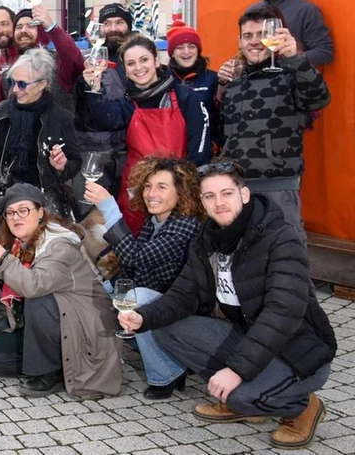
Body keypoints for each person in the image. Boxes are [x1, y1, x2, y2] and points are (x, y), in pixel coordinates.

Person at [120, 162, 334, 450]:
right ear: (202, 201)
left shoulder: (280, 237)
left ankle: (302, 405)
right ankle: (244, 397)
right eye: (209, 196)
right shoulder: (207, 239)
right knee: (164, 328)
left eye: (226, 193)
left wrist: (236, 371)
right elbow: (183, 295)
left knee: (240, 393)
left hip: (298, 350)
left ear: (244, 195)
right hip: (249, 337)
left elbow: (282, 313)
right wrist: (142, 317)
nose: (218, 203)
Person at [0, 183, 121, 399]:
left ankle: (49, 371)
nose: (16, 217)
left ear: (40, 212)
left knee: (38, 298)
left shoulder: (58, 244)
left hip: (86, 331)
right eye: (10, 213)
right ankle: (62, 361)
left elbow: (33, 286)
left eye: (23, 210)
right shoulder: (23, 244)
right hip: (61, 321)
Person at [83, 156, 202, 399]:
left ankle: (168, 374)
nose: (151, 193)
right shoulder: (156, 219)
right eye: (147, 186)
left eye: (161, 187)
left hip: (183, 308)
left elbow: (136, 258)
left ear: (181, 192)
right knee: (101, 296)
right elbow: (134, 271)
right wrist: (107, 287)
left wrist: (109, 208)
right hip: (155, 298)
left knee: (135, 300)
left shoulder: (185, 225)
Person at [215, 6, 330, 239]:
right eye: (248, 36)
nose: (254, 42)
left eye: (261, 34)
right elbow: (224, 134)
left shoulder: (291, 74)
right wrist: (221, 87)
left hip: (278, 188)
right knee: (243, 262)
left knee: (287, 260)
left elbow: (319, 97)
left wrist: (296, 59)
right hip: (237, 190)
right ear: (239, 40)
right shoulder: (234, 83)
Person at [82, 33, 211, 233]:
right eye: (131, 63)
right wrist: (95, 88)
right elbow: (105, 120)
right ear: (125, 69)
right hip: (137, 191)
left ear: (157, 60)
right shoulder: (128, 102)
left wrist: (183, 185)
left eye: (144, 60)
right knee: (134, 249)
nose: (139, 67)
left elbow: (200, 146)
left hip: (177, 188)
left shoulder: (185, 96)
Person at [0, 49, 80, 219]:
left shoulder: (61, 118)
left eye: (21, 84)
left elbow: (74, 161)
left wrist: (62, 166)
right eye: (12, 82)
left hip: (42, 202)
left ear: (42, 84)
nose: (15, 89)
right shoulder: (3, 109)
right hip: (3, 198)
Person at [71, 2, 132, 211]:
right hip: (94, 156)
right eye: (107, 23)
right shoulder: (87, 64)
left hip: (129, 155)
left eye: (120, 22)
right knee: (93, 224)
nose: (113, 28)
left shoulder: (136, 62)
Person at [165, 22, 219, 135]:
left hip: (205, 147)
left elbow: (220, 116)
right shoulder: (164, 80)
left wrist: (215, 144)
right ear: (172, 53)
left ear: (198, 50)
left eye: (191, 46)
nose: (186, 52)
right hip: (172, 148)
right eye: (180, 47)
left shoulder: (213, 79)